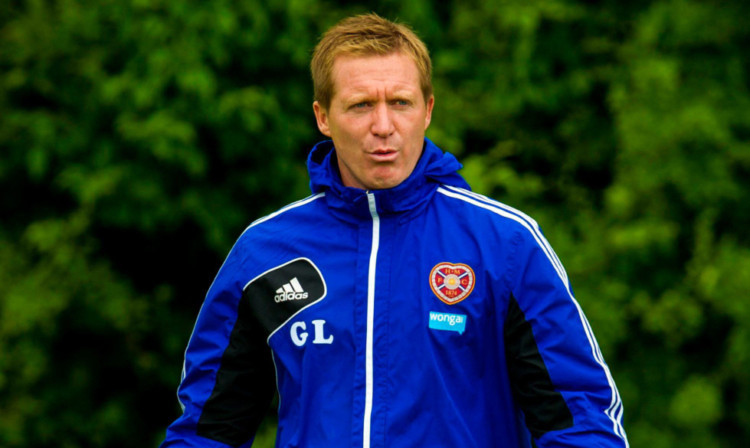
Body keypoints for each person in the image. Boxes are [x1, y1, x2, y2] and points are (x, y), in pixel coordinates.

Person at [162, 13, 629, 448]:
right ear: (323, 116)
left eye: (400, 103)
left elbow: (581, 419)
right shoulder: (266, 253)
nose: (383, 126)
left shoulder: (504, 246)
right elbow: (208, 430)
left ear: (427, 110)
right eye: (361, 105)